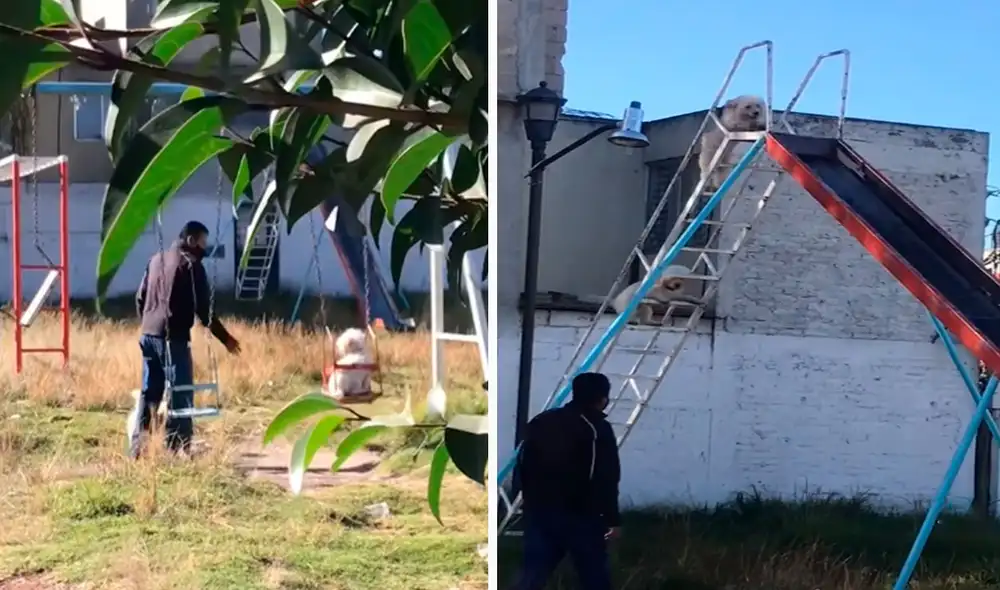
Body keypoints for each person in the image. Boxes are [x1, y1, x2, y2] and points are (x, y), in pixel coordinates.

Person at [130, 221, 241, 458]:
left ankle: (138, 448)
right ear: (190, 240)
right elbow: (204, 310)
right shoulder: (191, 265)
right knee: (180, 393)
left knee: (150, 393)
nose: (204, 248)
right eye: (202, 243)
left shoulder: (155, 260)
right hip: (173, 338)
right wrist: (226, 339)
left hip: (148, 336)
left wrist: (148, 323)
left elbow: (140, 297)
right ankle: (177, 448)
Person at [512, 372, 621, 590]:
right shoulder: (597, 428)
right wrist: (613, 519)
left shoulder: (542, 420)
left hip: (540, 512)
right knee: (594, 577)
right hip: (582, 516)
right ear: (603, 399)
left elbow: (523, 463)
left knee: (532, 575)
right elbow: (606, 478)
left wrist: (529, 500)